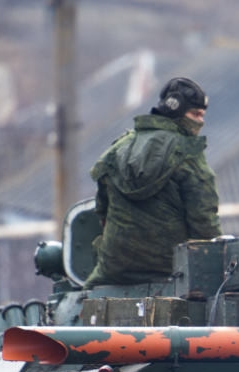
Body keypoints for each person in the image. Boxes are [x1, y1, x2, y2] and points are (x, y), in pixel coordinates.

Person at [83, 77, 222, 287]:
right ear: (175, 111)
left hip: (115, 270)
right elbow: (204, 221)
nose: (201, 121)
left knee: (87, 295)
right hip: (173, 270)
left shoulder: (119, 148)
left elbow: (102, 210)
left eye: (202, 116)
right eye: (195, 114)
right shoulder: (188, 153)